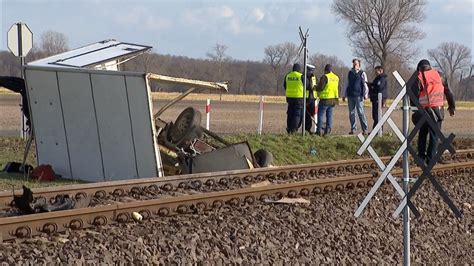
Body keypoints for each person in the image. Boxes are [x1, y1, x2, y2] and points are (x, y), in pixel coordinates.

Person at [411, 59, 455, 164]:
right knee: (434, 136)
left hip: (423, 111)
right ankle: (431, 160)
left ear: (419, 68)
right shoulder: (440, 76)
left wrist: (415, 106)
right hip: (438, 111)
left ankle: (421, 158)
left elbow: (413, 98)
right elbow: (449, 92)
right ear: (430, 67)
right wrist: (452, 107)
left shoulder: (419, 77)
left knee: (422, 134)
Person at [342, 59, 369, 135]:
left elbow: (365, 84)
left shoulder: (362, 73)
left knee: (361, 112)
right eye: (354, 64)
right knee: (352, 113)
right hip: (350, 95)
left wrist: (365, 94)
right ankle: (353, 128)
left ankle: (365, 129)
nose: (354, 65)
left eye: (356, 64)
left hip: (358, 95)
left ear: (359, 65)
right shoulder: (350, 73)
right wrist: (344, 95)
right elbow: (346, 84)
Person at [315, 64, 339, 136]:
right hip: (333, 99)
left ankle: (318, 131)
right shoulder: (336, 77)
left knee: (320, 115)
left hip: (325, 99)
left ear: (325, 70)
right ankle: (328, 131)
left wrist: (315, 87)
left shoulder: (325, 77)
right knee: (329, 116)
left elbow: (320, 87)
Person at [283, 63, 305, 133]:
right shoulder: (301, 76)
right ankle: (293, 129)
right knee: (297, 115)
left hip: (289, 98)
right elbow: (307, 85)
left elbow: (285, 85)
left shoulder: (288, 75)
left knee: (290, 114)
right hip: (299, 98)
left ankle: (289, 128)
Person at [305, 64, 317, 133]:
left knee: (311, 115)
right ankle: (307, 129)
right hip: (306, 99)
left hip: (312, 99)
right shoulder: (305, 77)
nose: (311, 71)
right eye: (310, 70)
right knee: (307, 115)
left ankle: (309, 129)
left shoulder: (314, 77)